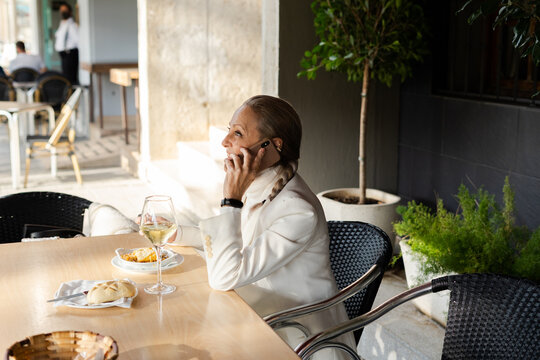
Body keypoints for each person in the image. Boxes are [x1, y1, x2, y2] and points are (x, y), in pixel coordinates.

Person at [173, 95, 355, 359]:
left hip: (297, 335)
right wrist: (175, 233)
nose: (225, 143)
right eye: (229, 131)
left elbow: (224, 276)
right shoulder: (261, 184)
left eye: (237, 133)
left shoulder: (297, 210)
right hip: (260, 313)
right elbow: (235, 242)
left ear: (272, 146)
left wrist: (230, 200)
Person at [54, 2, 79, 84]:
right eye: (61, 10)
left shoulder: (72, 25)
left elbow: (77, 40)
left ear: (70, 12)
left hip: (70, 54)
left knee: (70, 79)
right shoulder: (62, 24)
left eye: (65, 10)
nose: (62, 12)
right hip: (64, 54)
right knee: (65, 78)